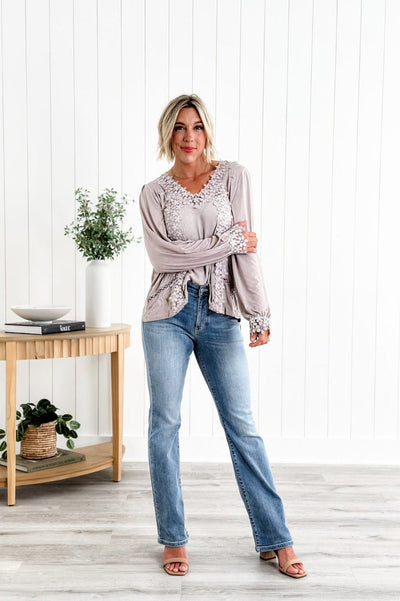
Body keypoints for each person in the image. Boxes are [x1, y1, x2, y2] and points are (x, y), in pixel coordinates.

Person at [139, 94, 307, 579]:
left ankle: (276, 539)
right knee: (164, 425)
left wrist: (257, 311)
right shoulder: (153, 193)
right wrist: (227, 241)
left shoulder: (233, 176)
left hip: (220, 312)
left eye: (196, 127)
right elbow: (163, 259)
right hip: (166, 315)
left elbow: (246, 254)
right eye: (179, 127)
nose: (188, 137)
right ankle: (173, 538)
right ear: (168, 134)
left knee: (243, 427)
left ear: (207, 131)